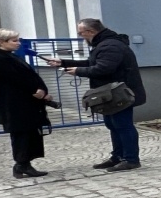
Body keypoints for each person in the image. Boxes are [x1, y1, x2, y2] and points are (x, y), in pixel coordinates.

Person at [45, 17, 146, 172]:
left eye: (81, 33)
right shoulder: (103, 44)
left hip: (120, 94)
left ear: (91, 31)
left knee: (123, 126)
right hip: (109, 94)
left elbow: (104, 68)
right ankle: (118, 156)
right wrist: (63, 63)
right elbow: (93, 63)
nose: (81, 36)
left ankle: (131, 159)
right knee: (113, 125)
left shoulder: (110, 46)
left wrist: (78, 71)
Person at [0, 29, 53, 178]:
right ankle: (22, 164)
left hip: (27, 102)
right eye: (14, 41)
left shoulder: (11, 56)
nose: (18, 43)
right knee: (21, 133)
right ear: (1, 42)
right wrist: (34, 90)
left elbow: (30, 75)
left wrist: (42, 90)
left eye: (18, 40)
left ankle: (25, 163)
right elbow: (16, 79)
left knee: (29, 132)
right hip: (14, 104)